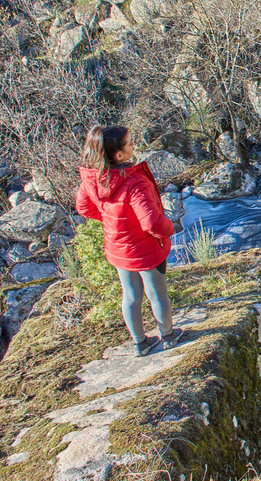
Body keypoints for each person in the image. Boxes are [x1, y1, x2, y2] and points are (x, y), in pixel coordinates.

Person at [75, 125, 184, 357]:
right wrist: (170, 228)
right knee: (157, 295)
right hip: (145, 248)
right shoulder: (134, 181)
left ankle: (141, 344)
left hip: (118, 248)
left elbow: (83, 208)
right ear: (119, 155)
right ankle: (169, 337)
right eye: (130, 143)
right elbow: (153, 224)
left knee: (131, 296)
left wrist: (111, 219)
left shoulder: (93, 177)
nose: (134, 145)